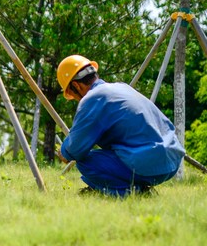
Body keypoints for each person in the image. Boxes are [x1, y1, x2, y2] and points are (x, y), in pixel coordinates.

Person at [57, 54, 184, 196]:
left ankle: (131, 193)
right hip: (172, 160)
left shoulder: (93, 98)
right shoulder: (122, 88)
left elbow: (75, 149)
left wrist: (64, 152)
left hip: (148, 163)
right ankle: (137, 188)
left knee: (85, 161)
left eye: (71, 94)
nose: (75, 99)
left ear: (75, 85)